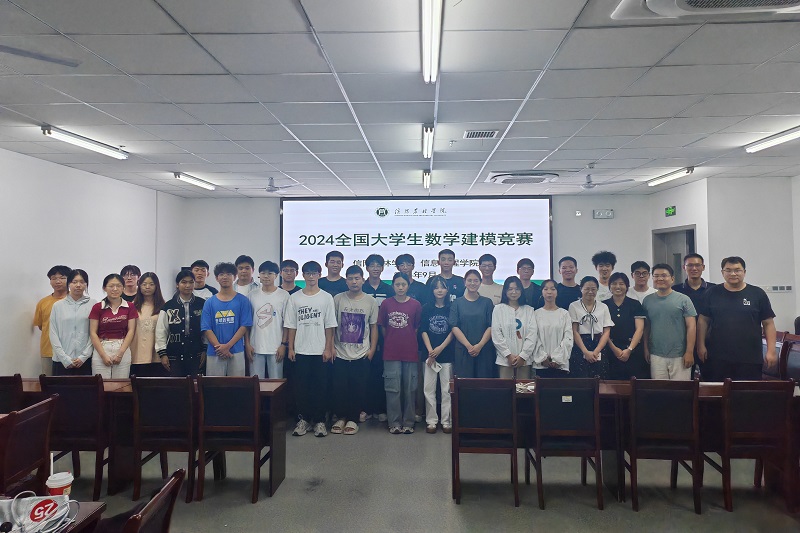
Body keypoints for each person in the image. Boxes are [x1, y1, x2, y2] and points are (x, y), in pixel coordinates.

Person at [697, 256, 777, 381]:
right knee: (717, 391)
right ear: (722, 272)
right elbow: (703, 321)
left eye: (737, 270)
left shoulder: (757, 294)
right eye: (728, 270)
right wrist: (700, 345)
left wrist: (771, 351)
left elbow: (768, 324)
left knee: (746, 392)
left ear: (744, 272)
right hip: (717, 357)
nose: (733, 274)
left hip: (750, 358)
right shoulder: (712, 293)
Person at [285, 261, 337, 438]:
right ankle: (304, 420)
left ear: (319, 275)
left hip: (320, 351)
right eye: (308, 273)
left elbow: (329, 326)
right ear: (303, 275)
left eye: (314, 273)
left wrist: (328, 348)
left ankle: (320, 421)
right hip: (301, 350)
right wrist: (291, 348)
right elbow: (291, 325)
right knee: (301, 388)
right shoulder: (295, 298)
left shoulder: (326, 297)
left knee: (320, 387)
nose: (311, 276)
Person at [331, 266, 378, 435]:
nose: (354, 282)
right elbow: (331, 325)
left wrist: (372, 349)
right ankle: (341, 417)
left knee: (358, 388)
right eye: (350, 278)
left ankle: (353, 419)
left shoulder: (370, 301)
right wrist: (330, 347)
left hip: (362, 353)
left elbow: (374, 327)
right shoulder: (338, 299)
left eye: (357, 278)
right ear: (346, 281)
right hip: (340, 352)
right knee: (340, 388)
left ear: (363, 280)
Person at [378, 272, 422, 434]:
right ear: (393, 286)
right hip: (391, 352)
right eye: (397, 284)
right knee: (392, 389)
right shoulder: (386, 304)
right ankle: (394, 422)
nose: (401, 287)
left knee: (410, 389)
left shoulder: (416, 305)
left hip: (410, 352)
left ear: (408, 286)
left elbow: (416, 328)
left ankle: (409, 422)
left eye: (403, 284)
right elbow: (383, 328)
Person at [642, 264, 696, 381]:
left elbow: (691, 326)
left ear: (672, 279)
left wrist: (689, 352)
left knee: (681, 390)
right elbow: (646, 327)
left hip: (680, 355)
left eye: (664, 275)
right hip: (656, 354)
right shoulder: (647, 300)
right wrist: (646, 348)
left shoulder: (684, 299)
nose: (660, 279)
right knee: (659, 389)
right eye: (656, 276)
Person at [200, 262, 253, 377]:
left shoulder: (243, 301)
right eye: (221, 274)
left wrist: (228, 346)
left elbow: (244, 326)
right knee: (214, 386)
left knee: (237, 385)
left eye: (229, 274)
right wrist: (220, 348)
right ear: (216, 278)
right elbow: (206, 328)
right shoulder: (209, 302)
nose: (225, 277)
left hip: (236, 351)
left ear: (235, 277)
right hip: (214, 352)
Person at [420, 276, 455, 434]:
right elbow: (423, 330)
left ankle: (446, 421)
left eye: (442, 287)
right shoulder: (426, 308)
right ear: (432, 290)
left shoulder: (451, 307)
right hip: (429, 356)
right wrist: (431, 351)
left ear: (447, 290)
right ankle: (431, 421)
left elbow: (453, 330)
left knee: (446, 390)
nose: (439, 290)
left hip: (446, 354)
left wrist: (440, 348)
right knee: (428, 389)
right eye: (436, 287)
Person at [673, 253, 715, 379]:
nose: (694, 268)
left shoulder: (714, 289)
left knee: (710, 380)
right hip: (683, 343)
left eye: (697, 265)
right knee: (685, 381)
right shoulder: (675, 290)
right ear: (684, 267)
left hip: (709, 342)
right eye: (690, 265)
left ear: (703, 267)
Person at [156, 270, 206, 377]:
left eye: (191, 282)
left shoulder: (202, 304)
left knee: (196, 384)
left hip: (196, 353)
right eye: (184, 282)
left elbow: (207, 330)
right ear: (177, 284)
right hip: (174, 355)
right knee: (177, 385)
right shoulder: (168, 306)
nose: (188, 285)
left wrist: (205, 350)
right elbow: (161, 331)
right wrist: (162, 354)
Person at [246, 261, 290, 379]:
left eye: (270, 273)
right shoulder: (251, 295)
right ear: (259, 275)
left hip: (276, 347)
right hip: (255, 346)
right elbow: (247, 323)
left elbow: (287, 323)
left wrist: (283, 345)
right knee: (256, 382)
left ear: (276, 275)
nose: (266, 276)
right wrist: (247, 344)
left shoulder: (284, 295)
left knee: (276, 382)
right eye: (263, 273)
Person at [89, 274, 139, 378]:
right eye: (111, 286)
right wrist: (103, 356)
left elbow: (131, 331)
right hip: (102, 348)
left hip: (122, 347)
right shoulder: (97, 307)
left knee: (120, 385)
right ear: (104, 288)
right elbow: (93, 333)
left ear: (123, 288)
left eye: (119, 286)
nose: (115, 289)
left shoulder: (130, 306)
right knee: (101, 384)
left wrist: (120, 354)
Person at [362, 254, 393, 423]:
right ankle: (366, 408)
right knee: (365, 373)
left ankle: (381, 408)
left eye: (378, 265)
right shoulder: (361, 287)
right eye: (372, 265)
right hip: (362, 336)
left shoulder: (389, 289)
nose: (375, 268)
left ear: (382, 268)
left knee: (382, 373)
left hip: (384, 337)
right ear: (367, 268)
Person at [49, 269, 95, 376]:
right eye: (74, 282)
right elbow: (53, 333)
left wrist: (83, 357)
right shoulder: (58, 306)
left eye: (82, 282)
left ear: (86, 284)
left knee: (85, 387)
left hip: (85, 360)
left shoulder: (93, 304)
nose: (78, 285)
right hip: (61, 361)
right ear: (69, 283)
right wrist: (64, 358)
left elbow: (94, 333)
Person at [450, 269, 495, 378]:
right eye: (469, 280)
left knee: (483, 383)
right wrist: (469, 346)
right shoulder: (457, 303)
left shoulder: (487, 302)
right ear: (465, 282)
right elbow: (454, 326)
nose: (472, 283)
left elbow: (491, 326)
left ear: (480, 282)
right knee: (464, 383)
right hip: (463, 350)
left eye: (476, 280)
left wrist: (479, 345)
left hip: (484, 349)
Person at [492, 276, 538, 379]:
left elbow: (532, 335)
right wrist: (508, 355)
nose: (514, 292)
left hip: (524, 360)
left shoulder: (529, 310)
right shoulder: (498, 309)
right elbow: (496, 334)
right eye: (510, 289)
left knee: (523, 388)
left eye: (517, 289)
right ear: (505, 291)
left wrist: (523, 356)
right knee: (506, 387)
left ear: (521, 291)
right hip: (504, 360)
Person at [604, 272, 648, 380]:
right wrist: (614, 349)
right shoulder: (603, 305)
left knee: (634, 385)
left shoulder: (635, 304)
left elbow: (640, 329)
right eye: (614, 283)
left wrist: (629, 349)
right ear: (609, 286)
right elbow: (603, 331)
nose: (618, 286)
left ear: (627, 286)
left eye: (621, 284)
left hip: (633, 351)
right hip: (610, 351)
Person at [569, 276, 613, 379]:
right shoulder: (574, 306)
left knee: (600, 379)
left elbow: (606, 331)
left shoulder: (603, 307)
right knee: (581, 378)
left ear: (597, 289)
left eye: (593, 289)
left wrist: (596, 351)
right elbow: (574, 330)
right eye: (587, 289)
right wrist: (585, 351)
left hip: (599, 343)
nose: (590, 292)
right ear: (581, 289)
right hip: (580, 344)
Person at [33, 265, 70, 375]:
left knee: (70, 382)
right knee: (48, 381)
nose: (58, 281)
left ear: (70, 280)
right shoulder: (43, 302)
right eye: (53, 278)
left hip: (70, 351)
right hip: (48, 350)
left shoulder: (75, 301)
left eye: (62, 278)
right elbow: (41, 326)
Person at [533, 280, 573, 377]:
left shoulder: (564, 314)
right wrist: (543, 358)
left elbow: (568, 338)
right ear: (542, 292)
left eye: (553, 289)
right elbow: (534, 338)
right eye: (546, 289)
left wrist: (557, 359)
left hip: (560, 364)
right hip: (541, 364)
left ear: (557, 292)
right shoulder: (536, 314)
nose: (549, 292)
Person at [130, 272, 166, 377]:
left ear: (156, 286)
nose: (147, 287)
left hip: (156, 355)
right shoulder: (132, 306)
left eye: (151, 284)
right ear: (139, 286)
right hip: (137, 353)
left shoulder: (164, 306)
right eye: (144, 284)